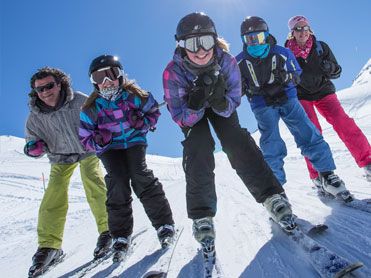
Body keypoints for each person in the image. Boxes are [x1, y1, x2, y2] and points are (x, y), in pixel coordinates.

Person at [163, 12, 296, 263]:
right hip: (193, 114)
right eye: (192, 44)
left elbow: (233, 101)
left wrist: (219, 100)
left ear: (215, 40)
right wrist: (195, 104)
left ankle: (272, 196)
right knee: (198, 147)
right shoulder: (173, 72)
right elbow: (179, 117)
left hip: (220, 105)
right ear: (181, 45)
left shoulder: (226, 61)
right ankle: (202, 215)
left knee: (236, 140)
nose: (201, 50)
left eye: (206, 41)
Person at [235, 16, 354, 202]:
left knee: (308, 132)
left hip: (287, 99)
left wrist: (286, 79)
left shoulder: (281, 52)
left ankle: (326, 174)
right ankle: (275, 190)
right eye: (249, 39)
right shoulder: (239, 62)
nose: (255, 42)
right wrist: (246, 88)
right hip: (262, 104)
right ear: (243, 40)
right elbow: (236, 87)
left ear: (266, 35)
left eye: (258, 37)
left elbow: (296, 73)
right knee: (271, 142)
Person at [79, 55, 175, 261]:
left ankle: (164, 224)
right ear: (93, 82)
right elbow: (85, 139)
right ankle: (120, 236)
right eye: (99, 77)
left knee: (139, 174)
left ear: (120, 76)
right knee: (117, 181)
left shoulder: (135, 97)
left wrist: (142, 122)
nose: (106, 82)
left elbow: (153, 112)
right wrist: (99, 140)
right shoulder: (91, 109)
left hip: (134, 141)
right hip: (110, 148)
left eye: (111, 75)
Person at [24, 67, 111, 277]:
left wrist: (101, 133)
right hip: (60, 157)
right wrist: (33, 148)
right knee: (53, 192)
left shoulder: (81, 101)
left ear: (60, 84)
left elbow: (103, 119)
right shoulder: (34, 118)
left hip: (86, 150)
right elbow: (31, 142)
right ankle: (50, 246)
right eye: (40, 89)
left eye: (49, 86)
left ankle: (109, 230)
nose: (45, 92)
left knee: (93, 180)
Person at [285, 15, 371, 183]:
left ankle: (368, 161)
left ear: (309, 29)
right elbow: (284, 77)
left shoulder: (320, 47)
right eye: (298, 29)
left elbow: (337, 71)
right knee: (311, 131)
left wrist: (329, 67)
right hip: (302, 95)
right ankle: (318, 175)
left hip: (324, 91)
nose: (303, 32)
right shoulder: (287, 53)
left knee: (343, 122)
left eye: (305, 28)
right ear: (292, 32)